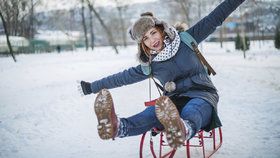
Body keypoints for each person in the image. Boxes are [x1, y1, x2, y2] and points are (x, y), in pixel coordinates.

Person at [80, 0, 245, 149]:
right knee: (153, 112)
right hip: (172, 102)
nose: (152, 40)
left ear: (161, 29)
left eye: (153, 33)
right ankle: (118, 127)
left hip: (202, 94)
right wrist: (91, 87)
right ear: (143, 44)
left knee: (193, 108)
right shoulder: (150, 65)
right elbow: (121, 78)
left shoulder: (187, 39)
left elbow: (216, 17)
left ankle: (183, 129)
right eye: (145, 38)